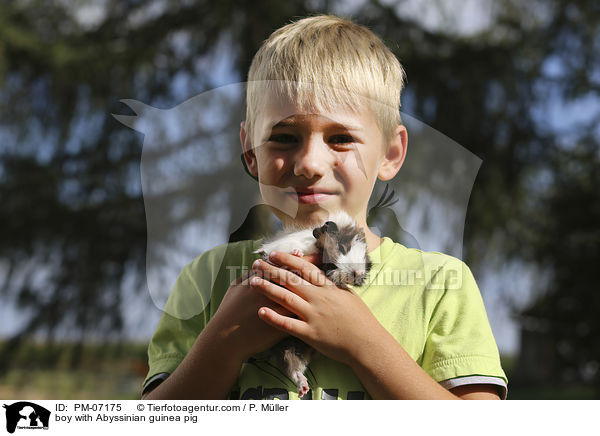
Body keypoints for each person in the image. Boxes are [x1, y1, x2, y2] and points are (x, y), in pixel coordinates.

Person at [141, 14, 507, 400]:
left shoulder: (441, 285)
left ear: (391, 153)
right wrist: (224, 342)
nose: (310, 164)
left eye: (341, 138)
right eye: (284, 137)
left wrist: (362, 343)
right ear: (250, 151)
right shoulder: (206, 279)